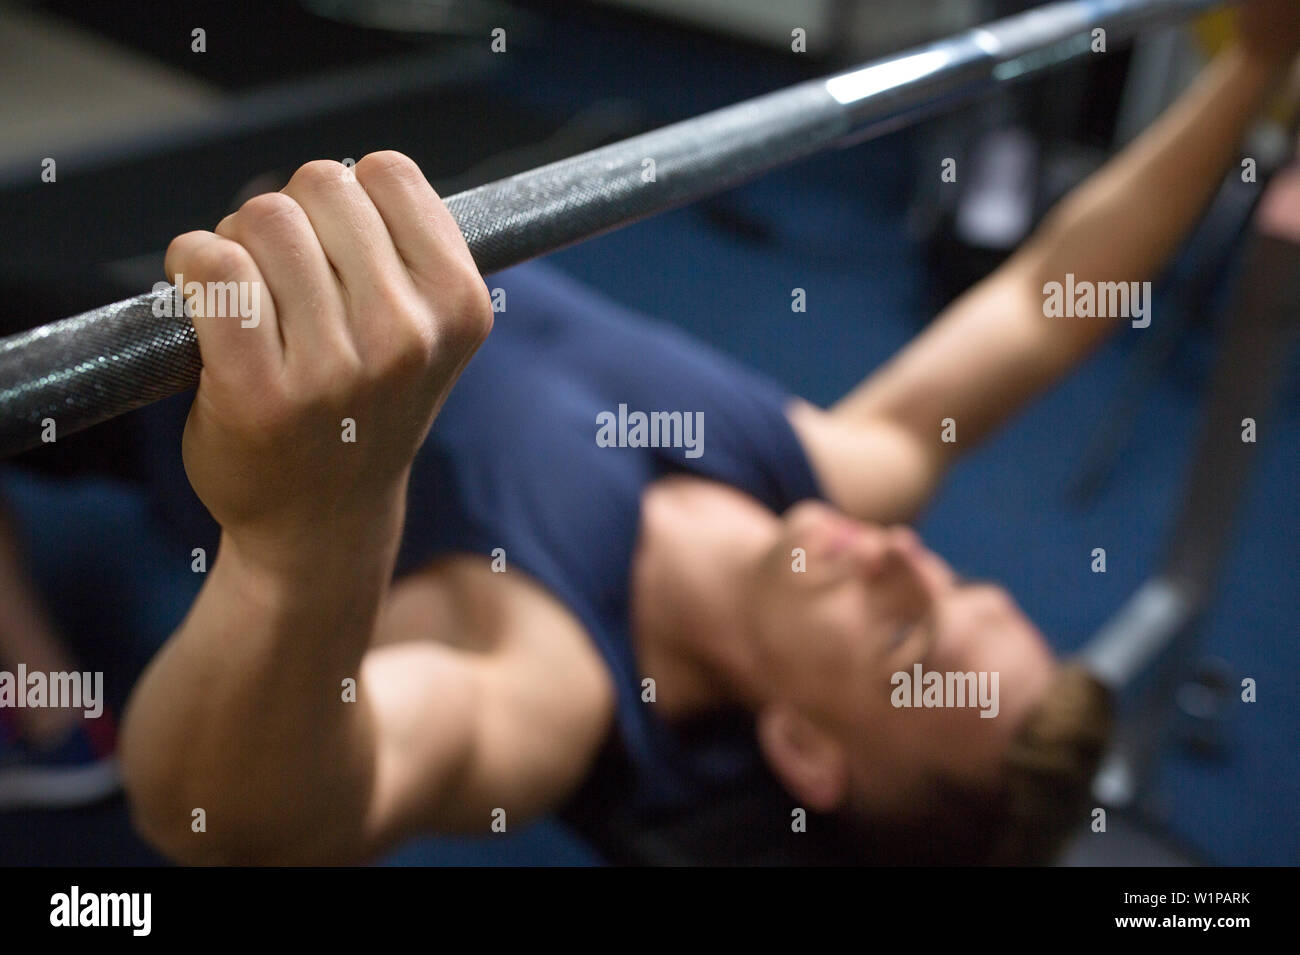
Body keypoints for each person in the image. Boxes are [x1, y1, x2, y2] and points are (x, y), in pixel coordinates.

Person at [113, 2, 1299, 865]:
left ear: (803, 749)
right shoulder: (823, 480)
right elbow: (1045, 303)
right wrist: (1249, 66)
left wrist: (307, 532)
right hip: (359, 210)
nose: (894, 550)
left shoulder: (556, 689)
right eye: (948, 576)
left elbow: (237, 819)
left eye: (900, 633)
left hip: (139, 335)